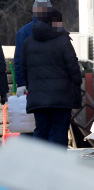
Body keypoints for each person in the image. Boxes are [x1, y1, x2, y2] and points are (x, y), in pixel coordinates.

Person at [21, 9, 82, 147]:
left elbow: (24, 69)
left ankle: (40, 164)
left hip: (38, 96)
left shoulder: (28, 42)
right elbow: (72, 65)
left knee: (41, 130)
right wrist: (77, 83)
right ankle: (58, 165)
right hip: (61, 96)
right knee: (60, 131)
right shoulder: (63, 40)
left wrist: (31, 87)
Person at [14, 0, 52, 97]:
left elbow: (19, 61)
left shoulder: (23, 32)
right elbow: (69, 59)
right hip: (56, 87)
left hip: (33, 85)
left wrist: (21, 84)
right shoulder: (60, 31)